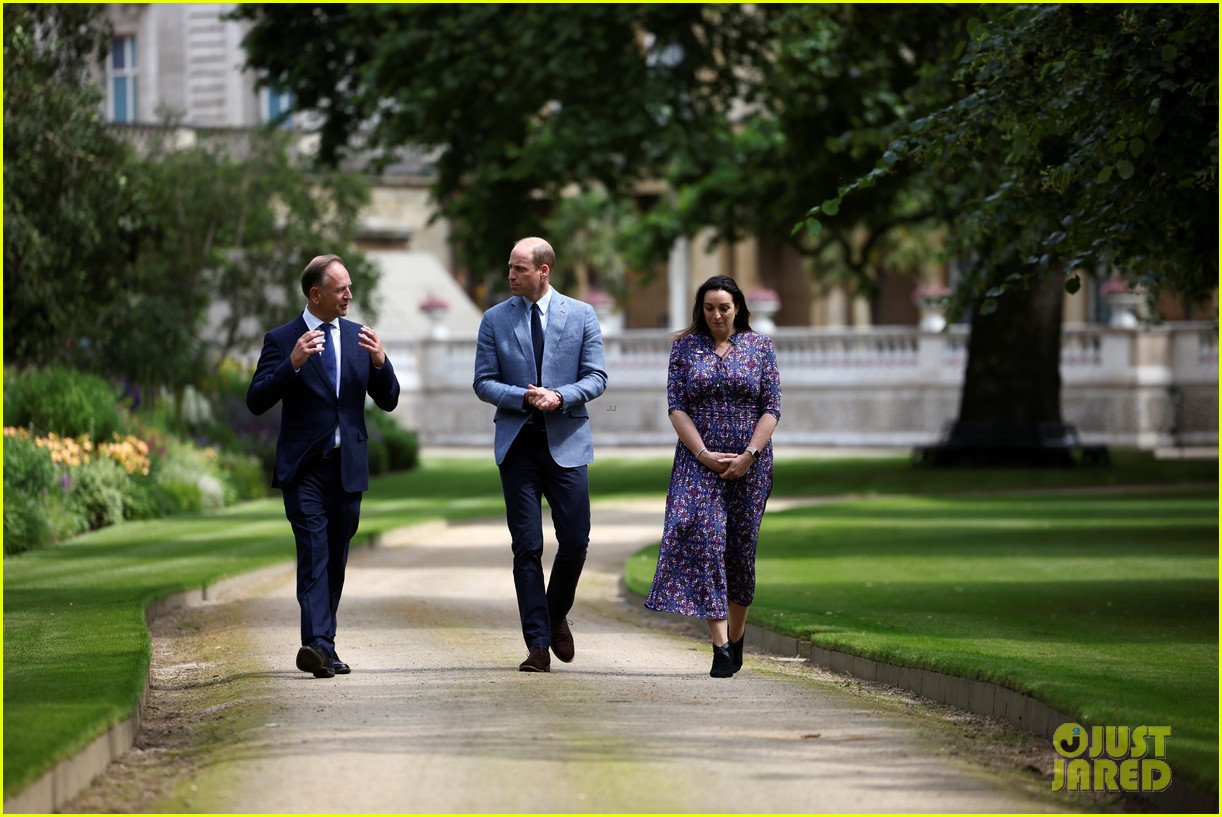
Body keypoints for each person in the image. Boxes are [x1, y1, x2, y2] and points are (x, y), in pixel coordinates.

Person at [247, 254, 400, 679]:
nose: (349, 294)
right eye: (340, 289)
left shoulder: (359, 337)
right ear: (316, 295)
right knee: (314, 553)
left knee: (335, 557)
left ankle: (324, 646)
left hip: (347, 467)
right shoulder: (282, 339)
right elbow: (256, 400)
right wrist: (292, 363)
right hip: (304, 469)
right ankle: (316, 642)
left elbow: (389, 399)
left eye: (349, 287)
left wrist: (380, 362)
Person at [473, 237, 608, 672]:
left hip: (567, 443)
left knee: (575, 541)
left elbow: (597, 376)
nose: (511, 275)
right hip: (518, 447)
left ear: (544, 271)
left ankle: (553, 615)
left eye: (520, 268)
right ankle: (536, 644)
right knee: (527, 547)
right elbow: (483, 382)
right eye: (510, 267)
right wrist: (523, 397)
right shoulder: (494, 319)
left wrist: (560, 396)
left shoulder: (582, 315)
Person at [644, 275, 781, 678]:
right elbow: (676, 406)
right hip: (697, 460)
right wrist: (703, 454)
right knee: (706, 540)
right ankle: (720, 646)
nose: (716, 315)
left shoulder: (759, 347)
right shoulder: (685, 348)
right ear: (700, 310)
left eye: (723, 307)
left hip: (750, 463)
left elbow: (772, 406)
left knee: (740, 551)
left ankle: (736, 638)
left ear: (737, 308)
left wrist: (750, 455)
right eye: (709, 308)